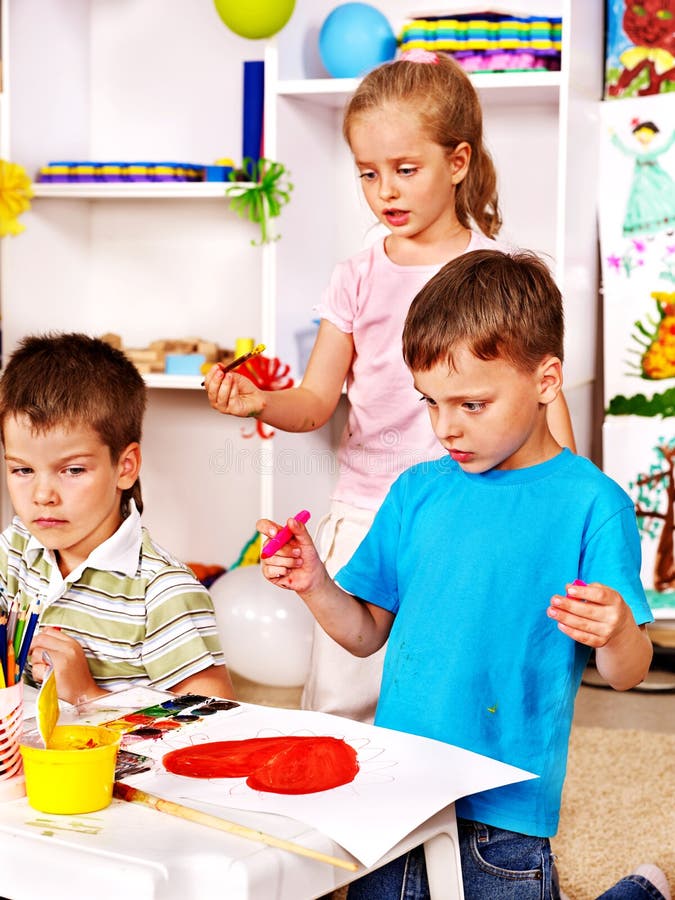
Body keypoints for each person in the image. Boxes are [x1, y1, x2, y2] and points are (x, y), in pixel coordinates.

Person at [258, 250, 659, 900]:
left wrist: (614, 632)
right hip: (398, 796)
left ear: (546, 380)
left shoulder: (592, 504)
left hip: (503, 816)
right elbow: (364, 634)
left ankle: (642, 889)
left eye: (472, 404)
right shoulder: (415, 491)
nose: (446, 427)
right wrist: (314, 583)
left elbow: (627, 672)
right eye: (431, 403)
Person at [205, 50, 576, 723]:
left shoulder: (494, 272)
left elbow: (542, 398)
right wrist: (260, 400)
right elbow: (315, 402)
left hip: (470, 510)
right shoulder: (355, 276)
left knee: (457, 693)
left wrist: (566, 501)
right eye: (368, 174)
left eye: (406, 170)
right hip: (368, 509)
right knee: (343, 700)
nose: (386, 193)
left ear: (457, 162)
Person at [0, 332, 234, 706]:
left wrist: (88, 695)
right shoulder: (14, 549)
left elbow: (213, 719)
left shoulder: (162, 593)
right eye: (22, 470)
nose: (43, 496)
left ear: (125, 467)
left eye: (73, 470)